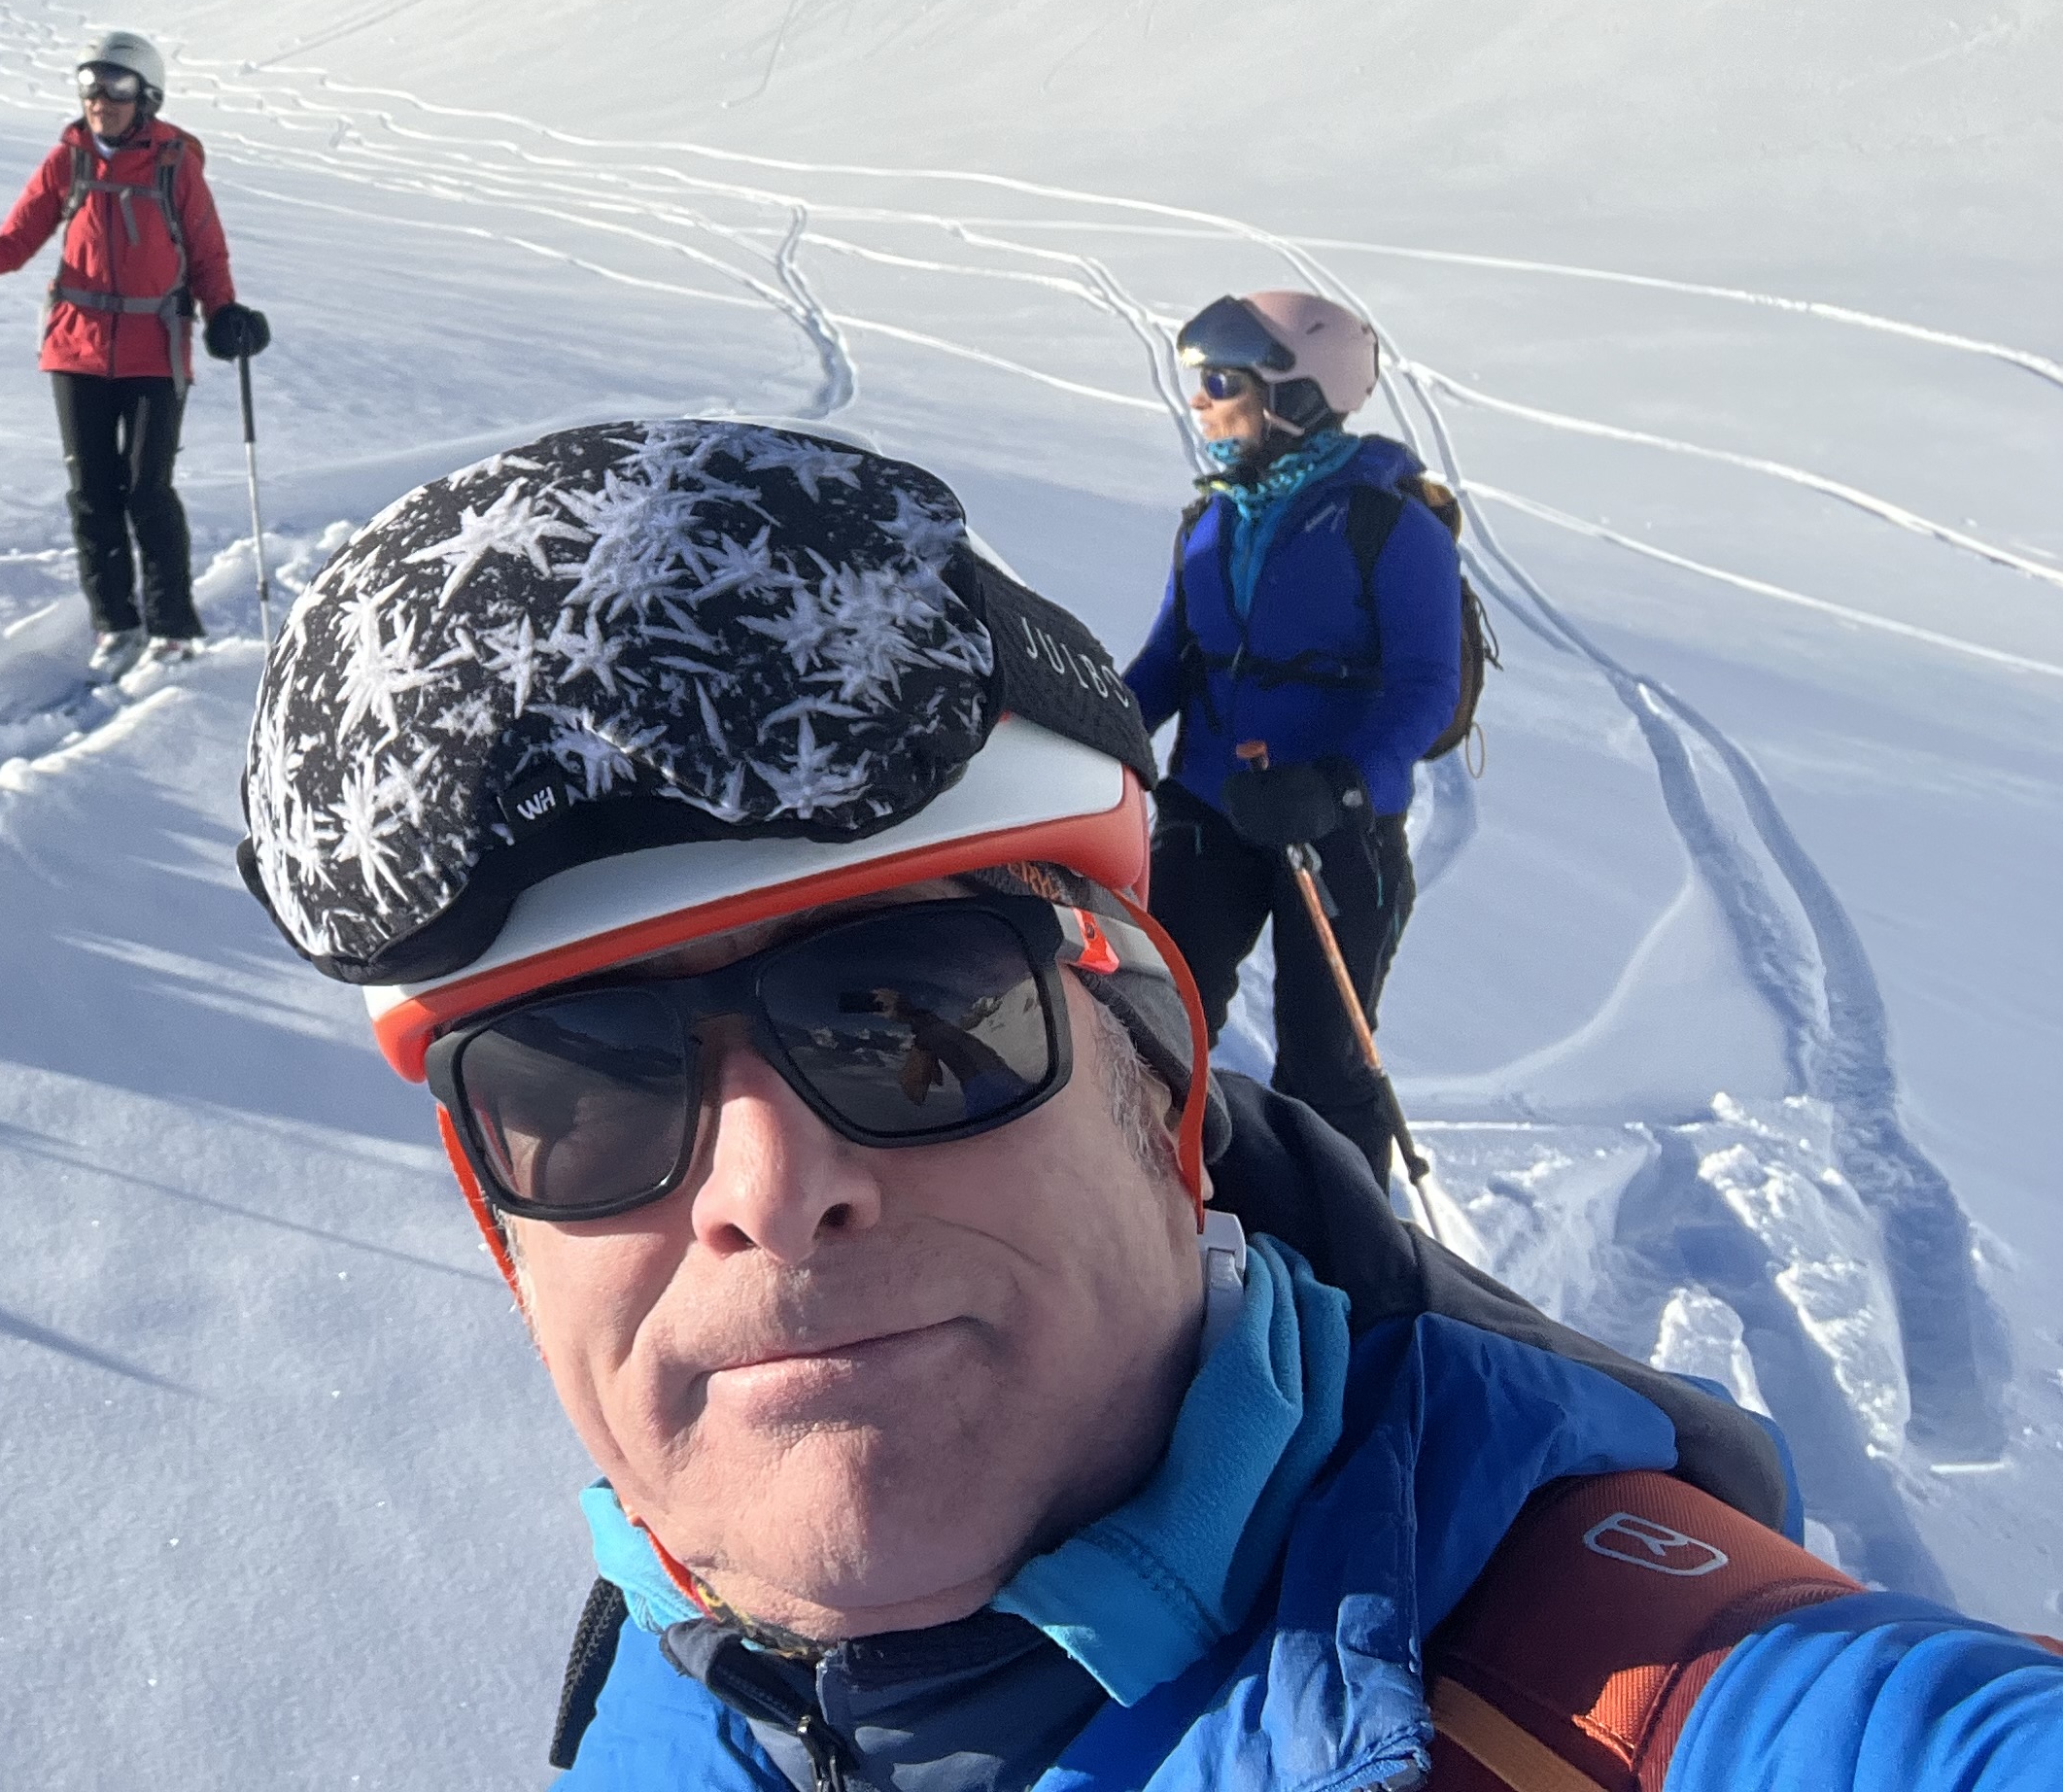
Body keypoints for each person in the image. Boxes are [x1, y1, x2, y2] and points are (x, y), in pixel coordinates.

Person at [239, 419, 2061, 1787]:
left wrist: (1325, 776)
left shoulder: (1639, 1709)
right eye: (582, 1084)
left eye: (912, 1021)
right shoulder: (663, 1678)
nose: (767, 1186)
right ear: (501, 1222)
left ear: (1162, 1092)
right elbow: (1177, 654)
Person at [1121, 292, 1457, 1181]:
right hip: (1211, 811)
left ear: (1298, 395)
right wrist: (1090, 725)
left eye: (1222, 383)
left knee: (1326, 1063)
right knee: (1158, 1020)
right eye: (1200, 383)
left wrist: (1340, 786)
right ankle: (1157, 1209)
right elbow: (1169, 659)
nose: (1201, 402)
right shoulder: (1211, 520)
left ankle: (1341, 1257)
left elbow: (1429, 685)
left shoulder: (1391, 524)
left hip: (1337, 831)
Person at [0, 29, 265, 672]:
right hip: (75, 349)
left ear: (147, 96)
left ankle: (173, 627)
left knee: (147, 489)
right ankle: (117, 624)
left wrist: (225, 316)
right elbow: (13, 243)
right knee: (91, 493)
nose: (99, 98)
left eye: (117, 86)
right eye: (89, 84)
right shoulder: (71, 161)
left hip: (154, 350)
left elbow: (207, 253)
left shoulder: (174, 166)